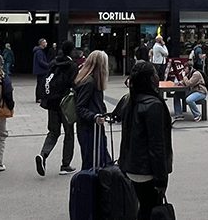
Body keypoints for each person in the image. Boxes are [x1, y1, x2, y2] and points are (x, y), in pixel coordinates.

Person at [118, 60, 173, 220]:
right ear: (150, 79)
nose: (158, 76)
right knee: (150, 209)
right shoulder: (153, 105)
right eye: (155, 73)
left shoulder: (130, 101)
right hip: (147, 170)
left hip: (132, 167)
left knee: (144, 208)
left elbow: (126, 137)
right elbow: (157, 146)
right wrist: (161, 178)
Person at [36, 40, 78, 176]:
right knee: (69, 133)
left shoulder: (54, 62)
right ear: (71, 51)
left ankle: (43, 154)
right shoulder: (72, 65)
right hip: (65, 104)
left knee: (53, 132)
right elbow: (73, 84)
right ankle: (65, 165)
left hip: (52, 103)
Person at [74, 50, 111, 170]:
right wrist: (94, 116)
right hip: (89, 128)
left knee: (98, 159)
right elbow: (79, 107)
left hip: (92, 126)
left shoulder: (91, 80)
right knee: (93, 162)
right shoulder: (90, 82)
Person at [33, 38, 50, 103]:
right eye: (45, 42)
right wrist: (48, 65)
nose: (46, 43)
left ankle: (39, 97)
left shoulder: (39, 51)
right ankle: (39, 98)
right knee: (41, 84)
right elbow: (41, 61)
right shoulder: (39, 51)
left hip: (40, 70)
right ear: (41, 43)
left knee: (40, 84)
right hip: (41, 71)